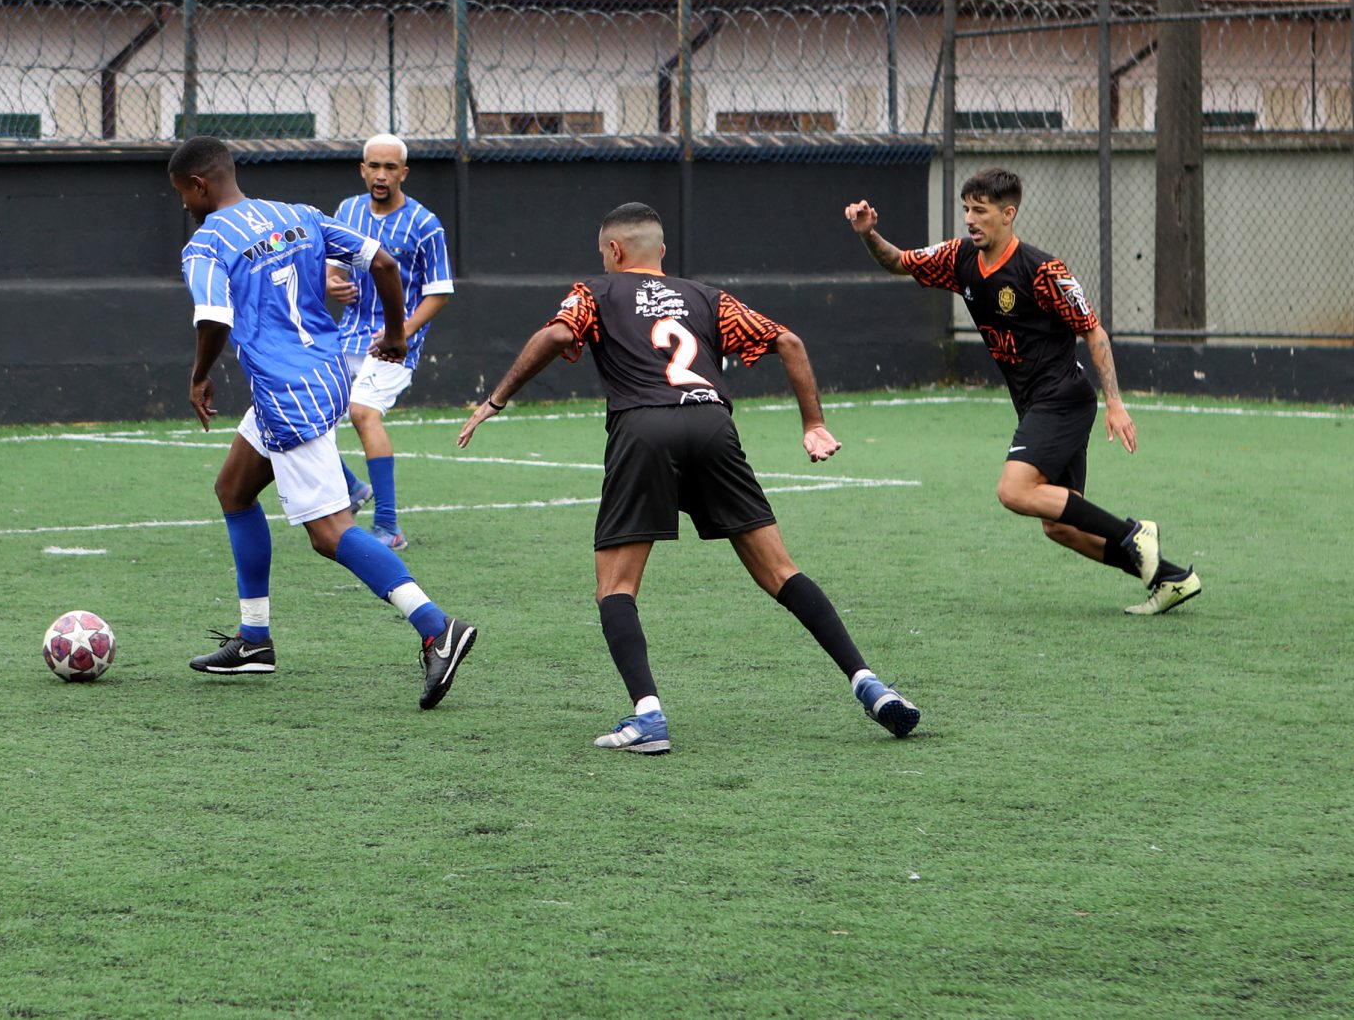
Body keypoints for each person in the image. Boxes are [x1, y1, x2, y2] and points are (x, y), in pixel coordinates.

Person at [458, 201, 920, 754]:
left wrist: (496, 399)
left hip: (644, 429)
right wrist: (814, 424)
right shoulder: (705, 297)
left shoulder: (596, 292)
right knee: (780, 571)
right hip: (710, 422)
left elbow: (557, 337)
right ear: (662, 254)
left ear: (614, 250)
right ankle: (868, 684)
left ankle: (648, 716)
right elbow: (789, 342)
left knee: (616, 586)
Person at [168, 136, 478, 709]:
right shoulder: (301, 215)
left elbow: (212, 317)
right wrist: (395, 333)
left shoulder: (206, 243)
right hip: (327, 373)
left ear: (198, 186)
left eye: (181, 195)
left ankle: (438, 628)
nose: (184, 206)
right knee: (234, 489)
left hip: (287, 392)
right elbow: (383, 263)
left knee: (328, 533)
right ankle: (255, 641)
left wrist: (198, 375)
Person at [845, 170, 1201, 615]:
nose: (971, 219)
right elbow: (899, 261)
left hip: (1062, 398)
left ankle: (1134, 534)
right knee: (1059, 526)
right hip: (1036, 402)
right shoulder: (959, 257)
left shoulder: (1042, 270)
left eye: (981, 210)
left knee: (1014, 491)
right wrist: (868, 234)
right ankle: (1170, 578)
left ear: (1008, 214)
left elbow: (1093, 332)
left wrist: (1115, 402)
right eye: (967, 209)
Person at [321, 134, 454, 549]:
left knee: (362, 413)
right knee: (306, 414)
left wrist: (404, 332)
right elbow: (331, 266)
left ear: (404, 173)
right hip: (347, 337)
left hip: (395, 346)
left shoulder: (425, 224)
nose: (381, 175)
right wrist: (331, 281)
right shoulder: (347, 211)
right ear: (362, 170)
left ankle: (389, 525)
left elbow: (440, 290)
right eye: (374, 167)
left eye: (390, 168)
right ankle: (353, 488)